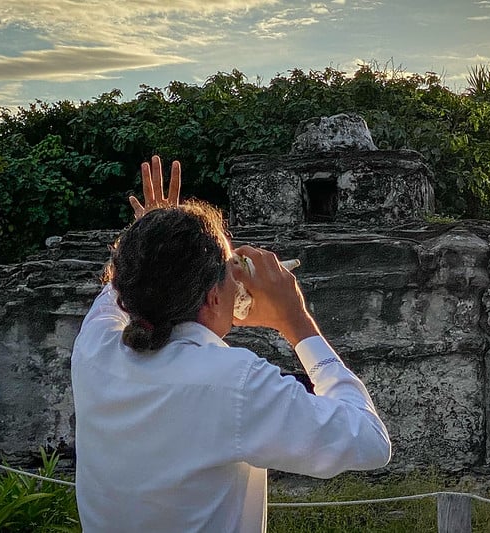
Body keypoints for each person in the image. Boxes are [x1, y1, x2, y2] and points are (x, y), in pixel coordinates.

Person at [71, 156, 391, 532]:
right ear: (212, 297)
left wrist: (154, 236)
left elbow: (123, 285)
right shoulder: (233, 382)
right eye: (229, 270)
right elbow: (370, 441)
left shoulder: (95, 348)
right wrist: (297, 323)